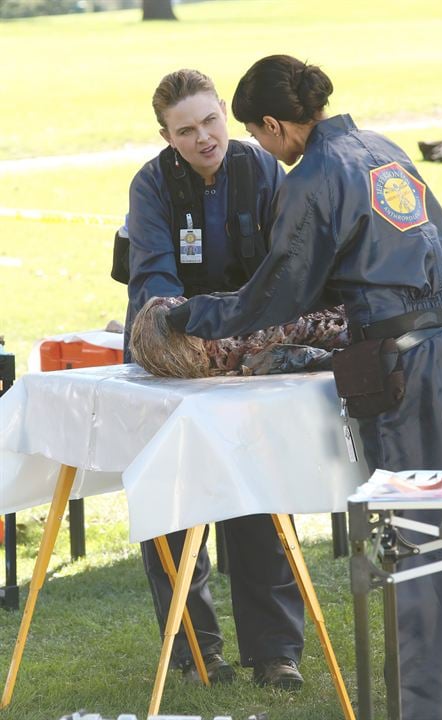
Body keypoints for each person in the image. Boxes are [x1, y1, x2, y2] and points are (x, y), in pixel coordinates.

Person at [164, 55, 442, 719]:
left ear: (274, 125)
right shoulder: (383, 149)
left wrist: (190, 316)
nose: (263, 150)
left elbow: (277, 293)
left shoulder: (313, 175)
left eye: (258, 135)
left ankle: (424, 710)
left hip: (411, 365)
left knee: (419, 537)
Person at [124, 68, 305, 689]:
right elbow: (154, 283)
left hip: (248, 352)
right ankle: (193, 651)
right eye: (186, 130)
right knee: (172, 503)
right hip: (174, 354)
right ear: (166, 136)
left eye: (210, 121)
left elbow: (288, 267)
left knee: (257, 494)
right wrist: (198, 334)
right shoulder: (150, 185)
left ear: (224, 113)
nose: (203, 137)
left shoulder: (260, 170)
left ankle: (275, 652)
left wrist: (244, 333)